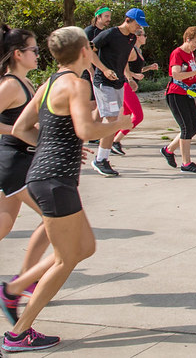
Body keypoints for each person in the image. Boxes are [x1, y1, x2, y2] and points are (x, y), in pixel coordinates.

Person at [6, 27, 131, 351]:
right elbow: (86, 129)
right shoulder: (76, 84)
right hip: (54, 182)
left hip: (45, 177)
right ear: (83, 52)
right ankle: (18, 333)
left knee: (84, 247)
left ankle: (15, 288)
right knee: (65, 259)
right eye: (90, 47)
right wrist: (118, 123)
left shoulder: (49, 83)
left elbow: (21, 128)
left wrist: (55, 148)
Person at [0, 26, 51, 318]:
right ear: (18, 54)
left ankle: (25, 281)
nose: (37, 54)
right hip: (12, 162)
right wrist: (19, 132)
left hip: (22, 160)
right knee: (52, 219)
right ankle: (24, 281)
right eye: (33, 49)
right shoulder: (10, 85)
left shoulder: (25, 83)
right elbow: (17, 127)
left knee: (4, 225)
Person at [88, 7, 147, 177]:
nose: (139, 28)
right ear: (128, 20)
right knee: (111, 119)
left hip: (119, 83)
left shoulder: (130, 38)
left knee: (113, 118)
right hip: (103, 82)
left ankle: (102, 156)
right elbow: (89, 52)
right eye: (137, 24)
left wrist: (128, 78)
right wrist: (104, 70)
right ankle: (100, 159)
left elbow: (123, 61)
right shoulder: (109, 34)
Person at [160, 27, 196, 173]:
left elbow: (190, 72)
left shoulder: (190, 54)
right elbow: (176, 74)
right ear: (187, 39)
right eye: (195, 42)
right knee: (186, 128)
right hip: (176, 94)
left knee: (193, 127)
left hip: (187, 94)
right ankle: (186, 163)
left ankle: (169, 150)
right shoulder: (177, 53)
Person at [111, 28, 159, 156]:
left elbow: (138, 69)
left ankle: (110, 140)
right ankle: (115, 141)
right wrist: (131, 77)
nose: (146, 37)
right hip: (125, 84)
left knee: (125, 115)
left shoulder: (138, 50)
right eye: (144, 35)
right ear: (137, 37)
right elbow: (121, 66)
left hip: (129, 84)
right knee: (138, 116)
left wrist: (149, 68)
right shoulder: (131, 49)